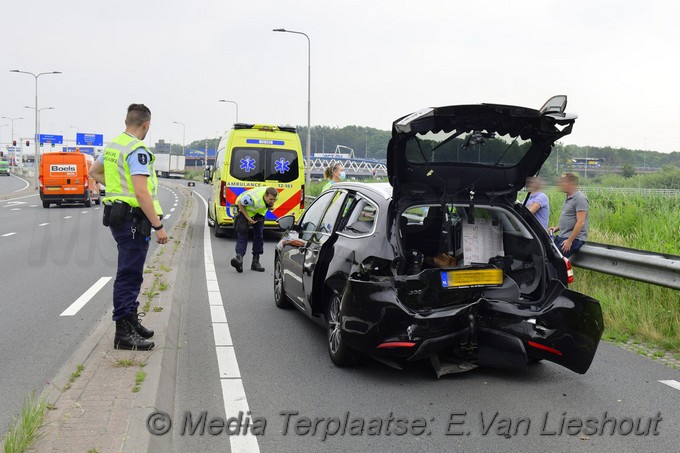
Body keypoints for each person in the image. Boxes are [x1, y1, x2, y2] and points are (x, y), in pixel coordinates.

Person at [90, 104, 167, 350]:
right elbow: (142, 192)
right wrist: (158, 226)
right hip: (133, 220)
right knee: (129, 275)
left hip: (118, 217)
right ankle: (123, 333)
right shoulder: (137, 149)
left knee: (130, 273)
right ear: (146, 124)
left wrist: (119, 189)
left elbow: (94, 171)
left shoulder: (114, 146)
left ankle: (131, 321)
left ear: (127, 121)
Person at [230, 186, 278, 273]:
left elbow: (270, 203)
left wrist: (269, 205)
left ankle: (255, 263)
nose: (273, 201)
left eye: (274, 200)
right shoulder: (251, 199)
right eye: (270, 199)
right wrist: (248, 218)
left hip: (259, 213)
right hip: (245, 210)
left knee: (259, 236)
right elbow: (240, 203)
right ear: (265, 196)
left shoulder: (274, 196)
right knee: (242, 234)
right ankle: (239, 260)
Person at [549, 173, 589, 258]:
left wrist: (570, 241)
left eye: (562, 182)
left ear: (570, 183)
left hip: (573, 238)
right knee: (548, 255)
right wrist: (557, 228)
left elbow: (581, 222)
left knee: (556, 261)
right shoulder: (568, 197)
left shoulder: (580, 198)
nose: (560, 184)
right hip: (562, 235)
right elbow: (569, 216)